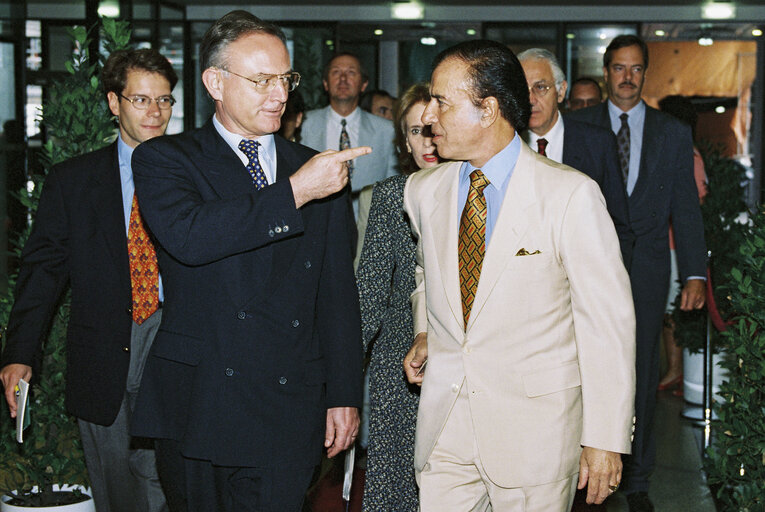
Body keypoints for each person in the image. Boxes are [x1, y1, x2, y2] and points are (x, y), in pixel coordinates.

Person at [127, 11, 367, 512]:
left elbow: (336, 293)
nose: (279, 93)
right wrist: (295, 194)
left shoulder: (312, 166)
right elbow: (191, 237)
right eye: (262, 80)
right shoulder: (167, 159)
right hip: (200, 398)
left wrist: (344, 392)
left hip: (288, 399)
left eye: (285, 79)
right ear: (216, 82)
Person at [402, 39, 635, 511]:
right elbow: (428, 273)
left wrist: (605, 438)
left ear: (487, 109)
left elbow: (605, 324)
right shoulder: (423, 191)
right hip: (446, 430)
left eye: (442, 102)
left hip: (535, 439)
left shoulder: (569, 195)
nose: (429, 117)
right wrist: (426, 330)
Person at [0, 48, 177, 512]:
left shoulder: (195, 175)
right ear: (114, 103)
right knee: (118, 491)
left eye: (164, 100)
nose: (155, 112)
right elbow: (42, 273)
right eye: (141, 99)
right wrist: (19, 355)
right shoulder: (74, 181)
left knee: (169, 485)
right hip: (103, 352)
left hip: (176, 342)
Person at [569, 35, 707, 512]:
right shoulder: (578, 125)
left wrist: (694, 274)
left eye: (636, 69)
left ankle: (639, 477)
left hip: (647, 266)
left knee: (642, 369)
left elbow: (686, 209)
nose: (627, 77)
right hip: (587, 264)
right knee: (583, 364)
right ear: (606, 72)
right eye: (618, 68)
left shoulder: (671, 132)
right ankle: (579, 464)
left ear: (644, 74)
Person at [357, 82, 439, 512]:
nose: (425, 140)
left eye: (431, 127)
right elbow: (370, 290)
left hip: (464, 361)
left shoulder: (477, 191)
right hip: (398, 364)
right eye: (413, 131)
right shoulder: (390, 197)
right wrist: (343, 370)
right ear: (402, 141)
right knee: (396, 489)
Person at [518, 48, 633, 268]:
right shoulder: (503, 145)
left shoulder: (597, 144)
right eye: (522, 90)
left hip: (584, 279)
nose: (530, 99)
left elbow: (619, 226)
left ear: (561, 92)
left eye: (540, 88)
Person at [301, 53, 397, 217]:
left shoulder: (386, 130)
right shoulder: (304, 125)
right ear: (325, 83)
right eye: (336, 72)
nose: (343, 79)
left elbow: (393, 186)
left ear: (364, 84)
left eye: (351, 72)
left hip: (367, 228)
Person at [656, 95, 708, 393]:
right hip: (670, 244)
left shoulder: (688, 156)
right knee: (668, 312)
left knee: (672, 312)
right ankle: (673, 369)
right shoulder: (685, 153)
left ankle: (675, 370)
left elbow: (692, 205)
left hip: (676, 247)